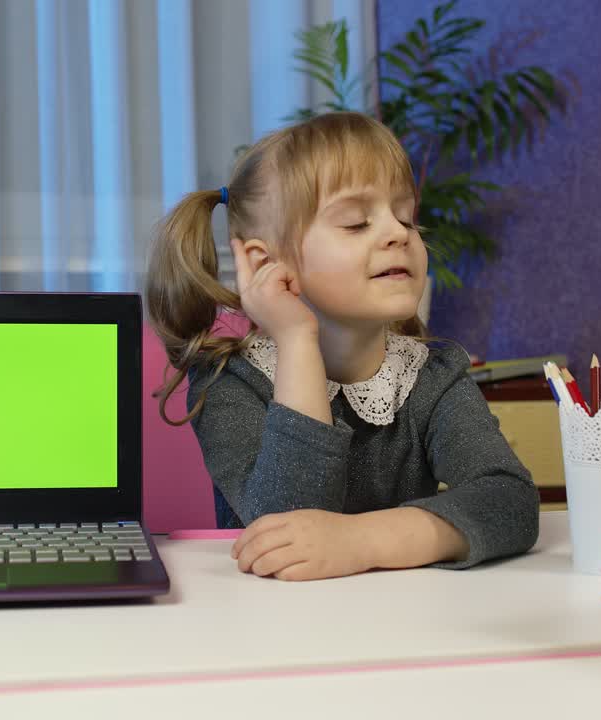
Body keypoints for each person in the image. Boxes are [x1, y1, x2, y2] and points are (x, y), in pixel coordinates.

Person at [144, 112, 537, 581]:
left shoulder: (432, 376)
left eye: (406, 217)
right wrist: (296, 340)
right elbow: (285, 530)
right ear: (265, 261)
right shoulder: (229, 383)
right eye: (355, 223)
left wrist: (362, 541)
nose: (399, 233)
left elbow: (509, 500)